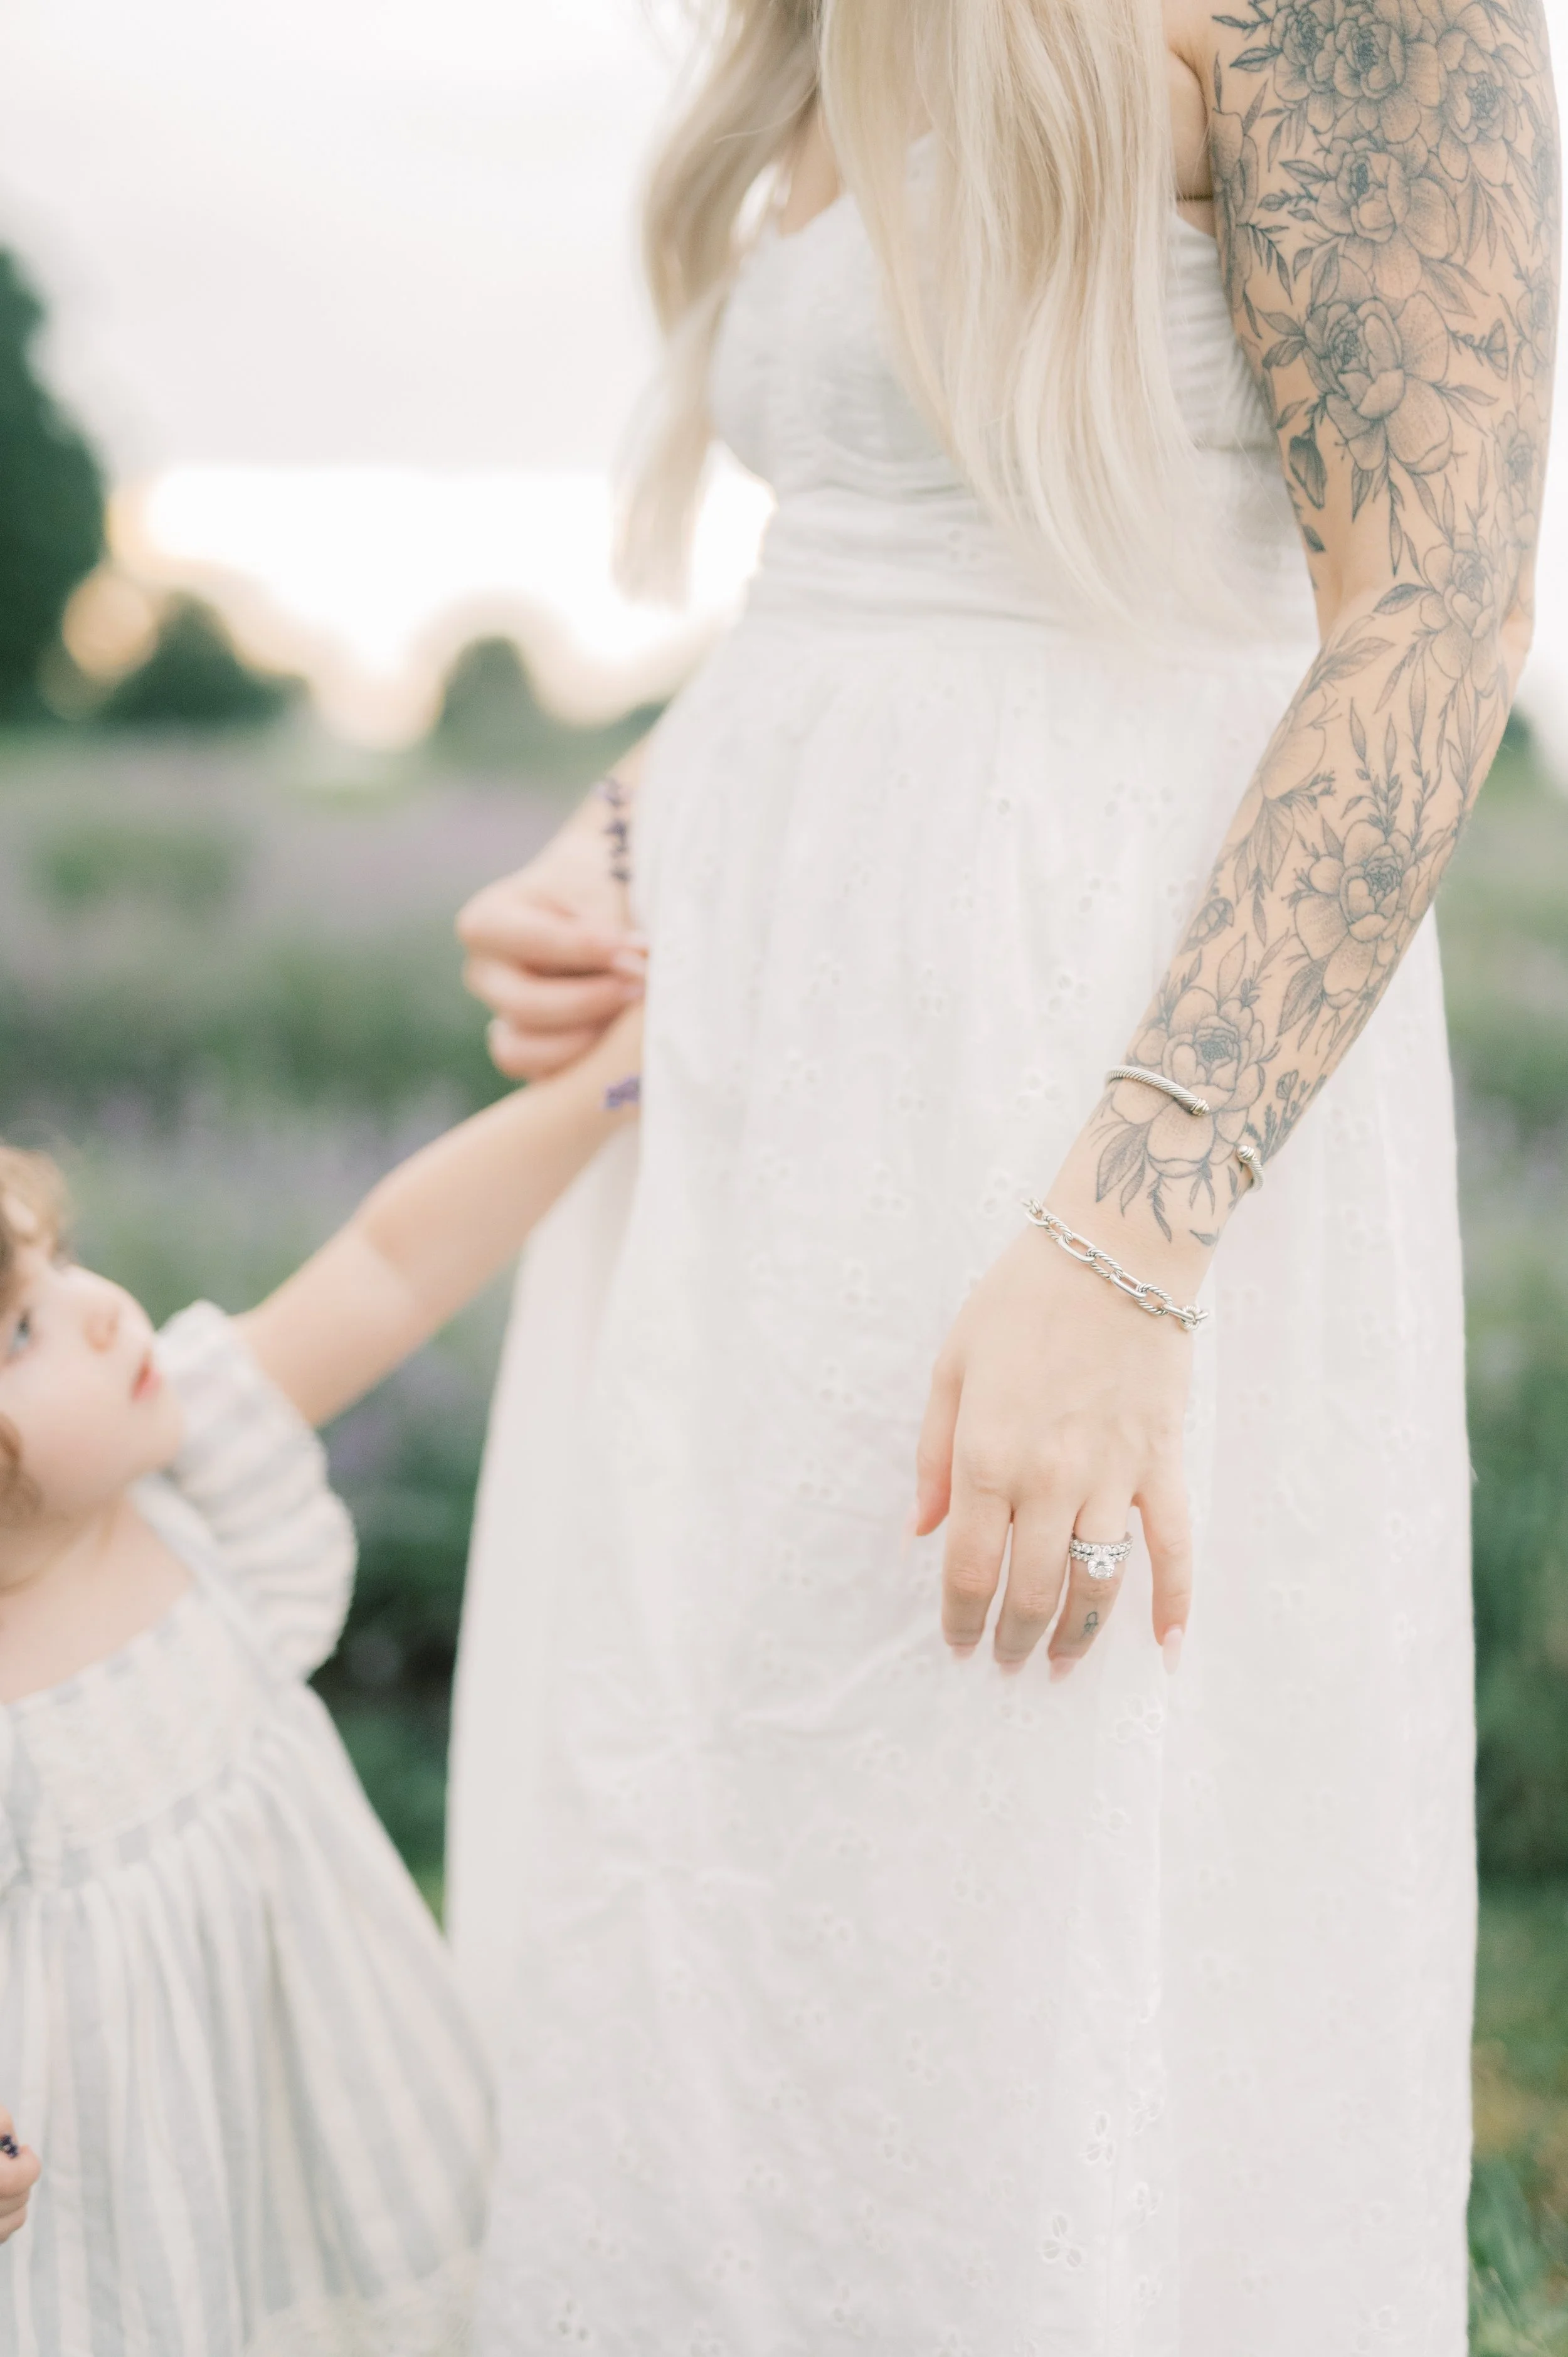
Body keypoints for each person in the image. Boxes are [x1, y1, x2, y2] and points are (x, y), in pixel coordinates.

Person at [450, 0, 1557, 2347]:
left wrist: (1127, 1237)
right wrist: (625, 834)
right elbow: (864, 583)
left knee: (1010, 1878)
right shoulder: (821, 26)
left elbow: (1437, 619)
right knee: (728, 1876)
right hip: (753, 1135)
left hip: (1074, 1089)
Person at [0, 1008, 640, 2354]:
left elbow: (389, 1267)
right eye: (19, 1334)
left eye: (55, 1267)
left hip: (347, 2109)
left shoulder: (189, 1471)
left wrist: (611, 1074)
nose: (101, 1306)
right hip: (120, 2218)